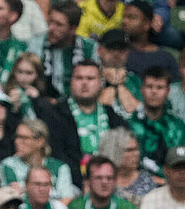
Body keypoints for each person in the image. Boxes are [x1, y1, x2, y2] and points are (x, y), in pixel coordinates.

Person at [35, 60, 127, 188]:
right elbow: (57, 156)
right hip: (70, 184)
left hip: (110, 183)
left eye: (90, 78)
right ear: (71, 82)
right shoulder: (54, 114)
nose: (84, 83)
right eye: (79, 78)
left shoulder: (113, 116)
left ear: (100, 83)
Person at [0, 118, 78, 202]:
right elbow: (12, 199)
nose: (17, 142)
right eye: (17, 137)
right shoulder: (8, 165)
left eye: (23, 138)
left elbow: (66, 199)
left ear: (40, 141)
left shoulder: (60, 168)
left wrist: (24, 191)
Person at [128, 66, 185, 174]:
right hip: (136, 184)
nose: (154, 92)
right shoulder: (129, 124)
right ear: (141, 89)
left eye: (159, 87)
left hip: (171, 183)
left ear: (168, 91)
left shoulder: (178, 126)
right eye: (149, 86)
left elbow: (183, 161)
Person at [67, 155, 139, 209]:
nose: (104, 182)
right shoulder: (75, 208)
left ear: (115, 181)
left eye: (109, 178)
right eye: (98, 178)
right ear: (88, 181)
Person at [35, 0, 98, 98]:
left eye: (59, 24)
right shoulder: (36, 44)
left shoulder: (90, 48)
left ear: (73, 29)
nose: (51, 28)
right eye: (50, 21)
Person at [98, 126, 159, 205]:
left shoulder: (147, 181)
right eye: (130, 150)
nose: (136, 154)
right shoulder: (100, 182)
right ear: (113, 152)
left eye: (136, 149)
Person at [122, 2, 180, 81]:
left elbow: (175, 86)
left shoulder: (165, 57)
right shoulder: (119, 52)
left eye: (131, 17)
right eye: (123, 17)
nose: (124, 21)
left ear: (146, 24)